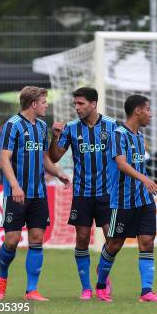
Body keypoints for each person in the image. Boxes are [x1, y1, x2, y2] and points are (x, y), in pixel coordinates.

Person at [0, 86, 70, 301]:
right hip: (16, 193)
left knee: (37, 238)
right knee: (12, 239)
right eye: (44, 102)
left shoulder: (42, 126)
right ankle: (2, 277)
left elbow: (45, 157)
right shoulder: (13, 125)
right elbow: (4, 159)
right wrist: (15, 186)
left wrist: (58, 173)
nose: (47, 105)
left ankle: (32, 290)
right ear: (34, 104)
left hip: (38, 193)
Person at [94, 95, 157, 303]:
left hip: (143, 199)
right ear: (138, 111)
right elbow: (121, 163)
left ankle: (146, 292)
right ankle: (101, 286)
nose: (151, 114)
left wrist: (144, 183)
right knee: (115, 244)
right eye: (148, 109)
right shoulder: (118, 134)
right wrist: (144, 178)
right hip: (122, 200)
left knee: (147, 241)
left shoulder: (140, 137)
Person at [48, 87, 117, 300]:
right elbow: (55, 157)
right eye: (75, 104)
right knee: (83, 237)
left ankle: (102, 272)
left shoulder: (112, 126)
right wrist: (54, 137)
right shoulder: (70, 129)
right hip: (82, 193)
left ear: (94, 103)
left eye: (81, 104)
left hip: (107, 193)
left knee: (113, 239)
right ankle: (87, 287)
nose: (77, 108)